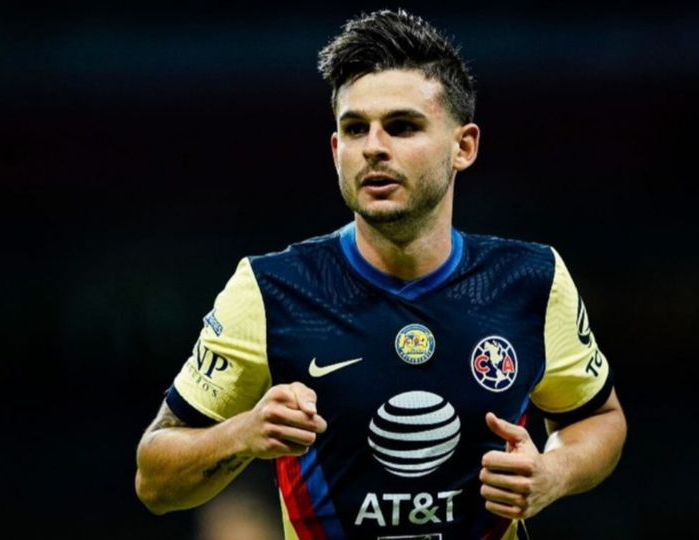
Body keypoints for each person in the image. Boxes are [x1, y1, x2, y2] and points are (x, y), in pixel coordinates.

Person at [135, 8, 627, 539]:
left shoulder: (531, 280)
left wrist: (554, 472)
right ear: (336, 150)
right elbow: (154, 480)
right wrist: (243, 434)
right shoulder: (270, 290)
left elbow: (598, 418)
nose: (373, 146)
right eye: (354, 129)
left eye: (402, 126)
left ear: (463, 147)